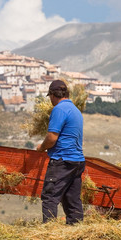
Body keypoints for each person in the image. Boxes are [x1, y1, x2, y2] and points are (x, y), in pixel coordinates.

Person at [36, 80, 85, 225]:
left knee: (50, 196)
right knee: (72, 200)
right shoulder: (75, 110)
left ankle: (50, 231)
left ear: (52, 94)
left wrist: (41, 148)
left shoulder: (59, 109)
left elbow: (51, 138)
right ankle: (76, 230)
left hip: (62, 160)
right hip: (77, 161)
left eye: (50, 96)